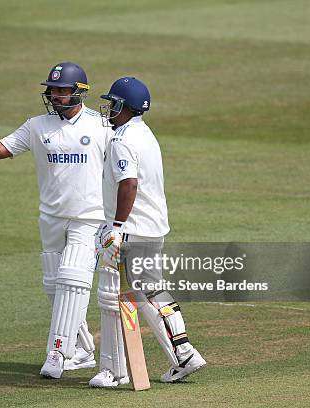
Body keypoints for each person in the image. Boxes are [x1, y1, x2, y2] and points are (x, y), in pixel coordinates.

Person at [0, 62, 111, 379]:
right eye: (53, 90)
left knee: (73, 279)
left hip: (89, 219)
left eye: (62, 91)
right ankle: (84, 351)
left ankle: (58, 353)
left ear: (79, 92)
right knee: (55, 288)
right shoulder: (36, 126)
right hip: (50, 219)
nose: (56, 96)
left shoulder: (102, 126)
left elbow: (125, 169)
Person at [89, 77, 206, 387]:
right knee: (151, 292)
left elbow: (129, 184)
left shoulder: (122, 140)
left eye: (113, 104)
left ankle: (120, 368)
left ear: (126, 108)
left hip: (132, 228)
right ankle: (182, 355)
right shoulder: (144, 133)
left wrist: (116, 227)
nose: (109, 109)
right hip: (151, 226)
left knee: (134, 295)